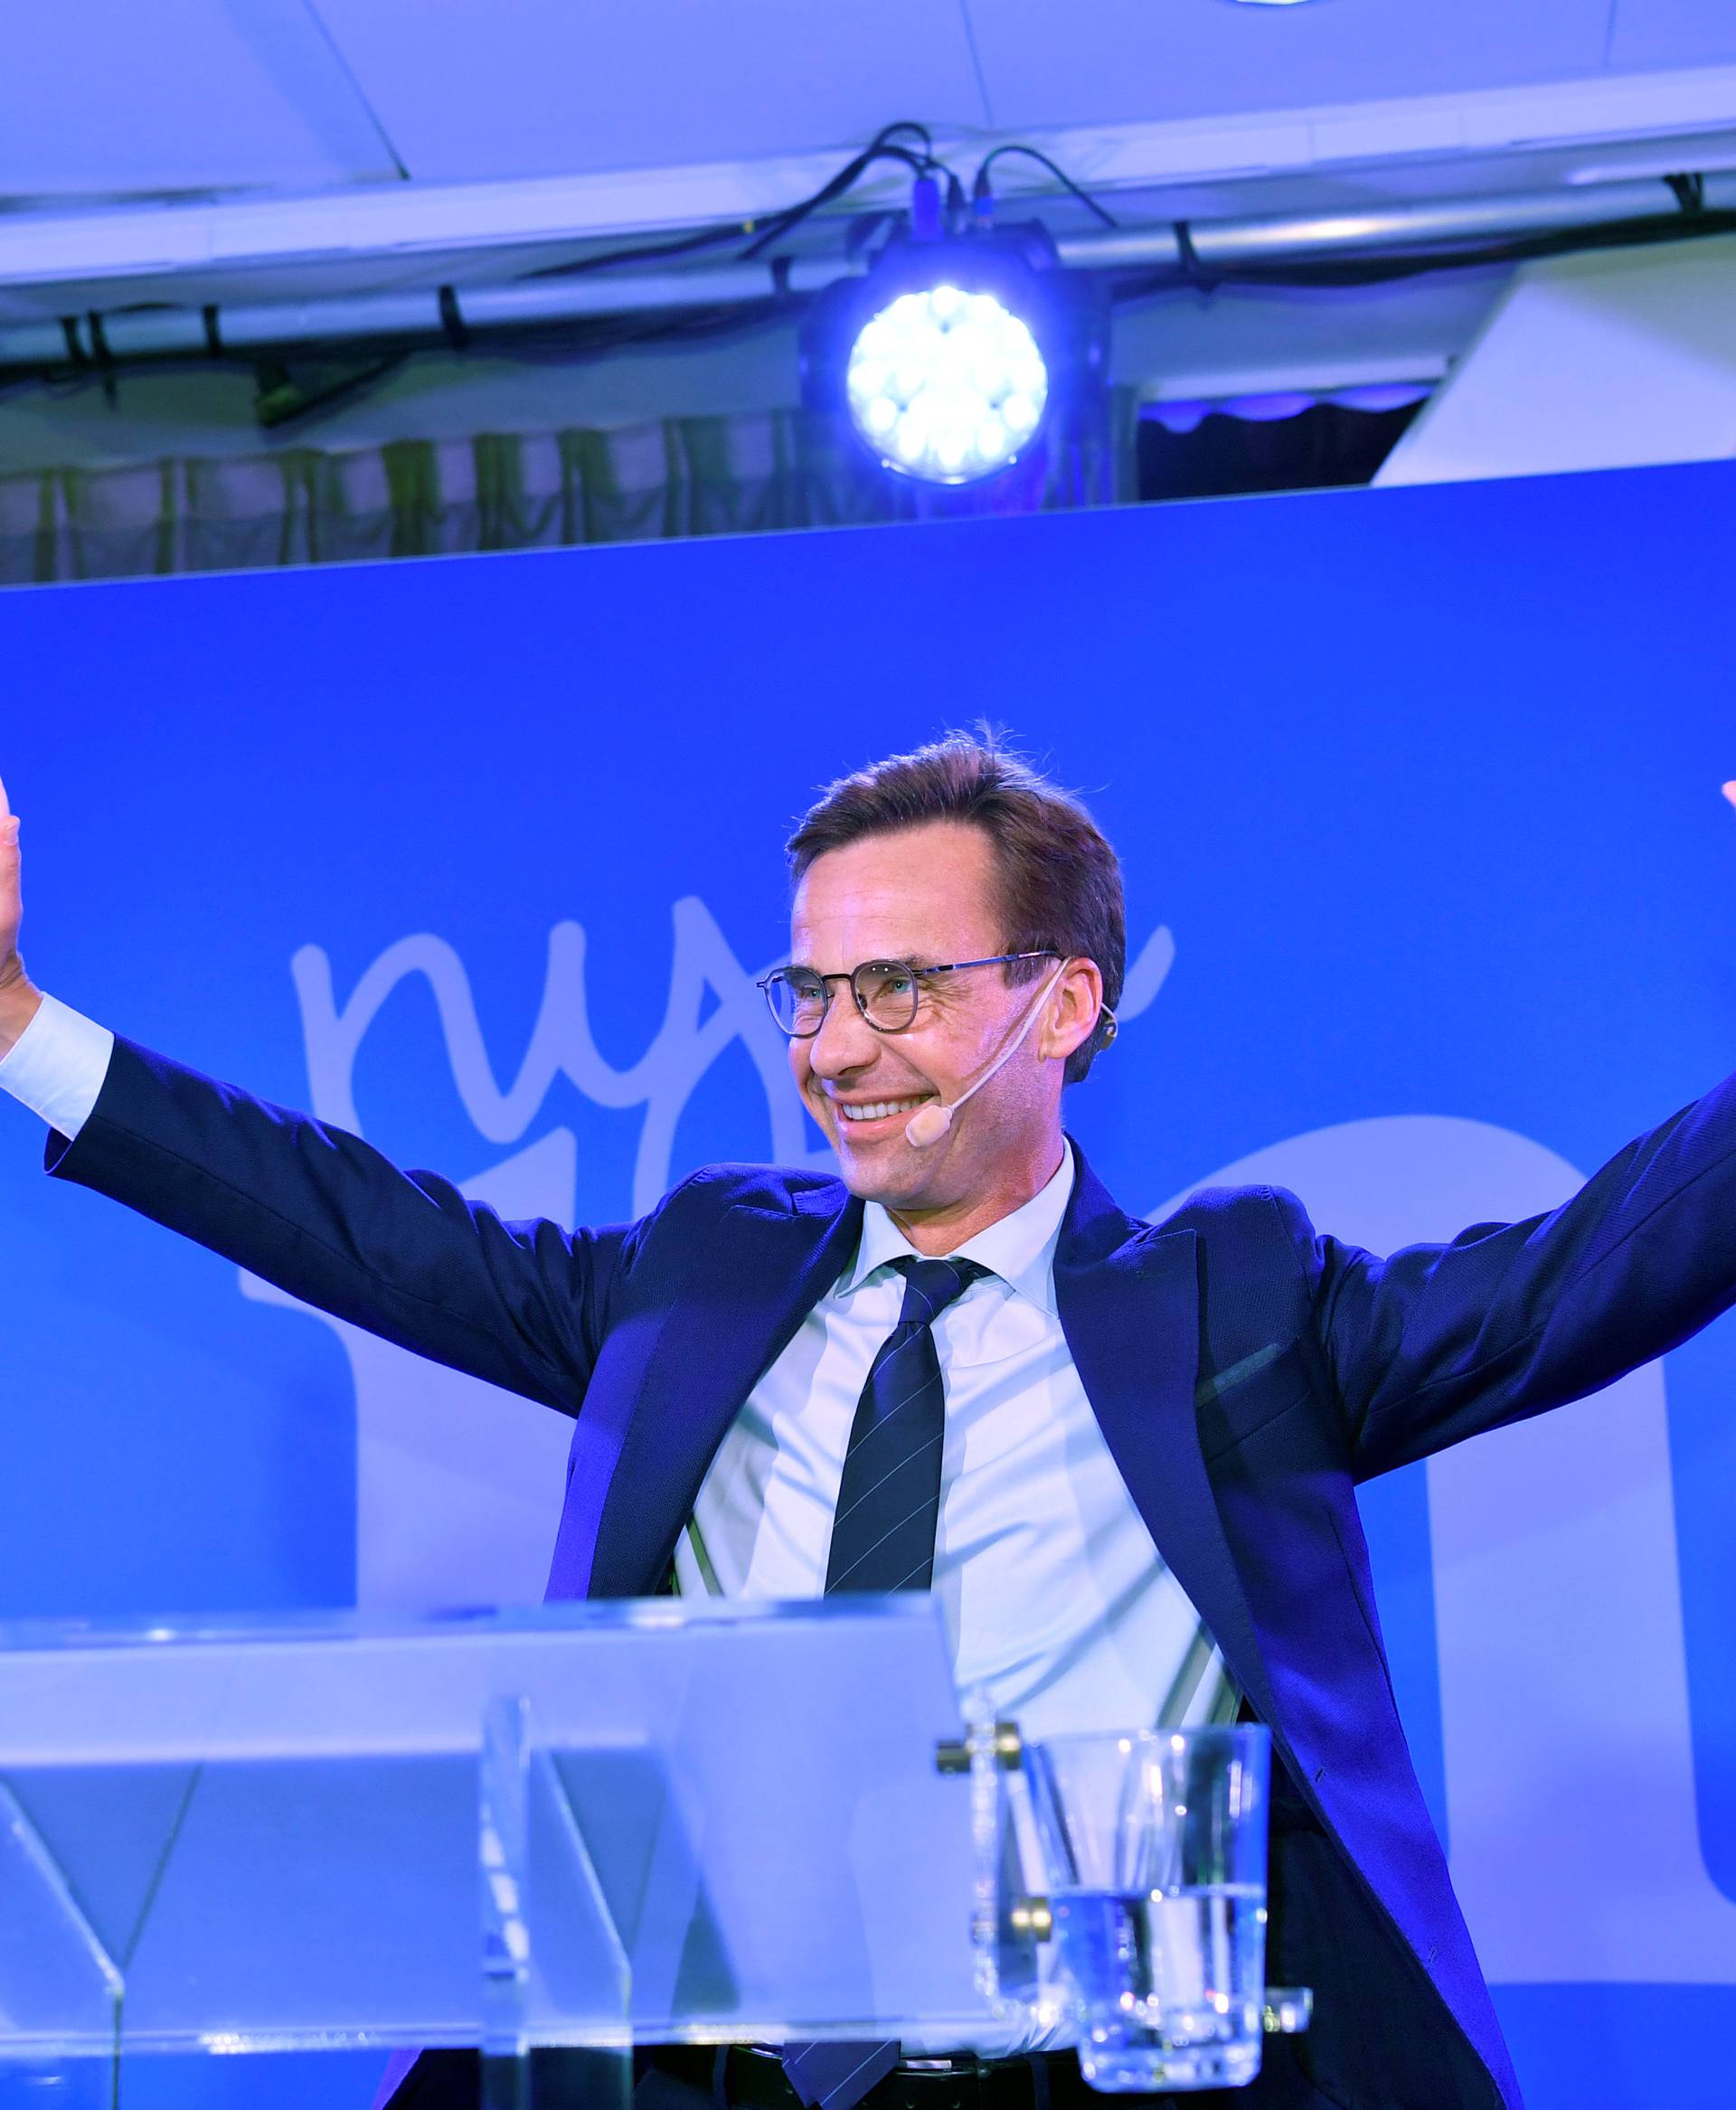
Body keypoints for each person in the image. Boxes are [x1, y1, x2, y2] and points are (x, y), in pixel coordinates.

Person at [4, 739, 1735, 2110]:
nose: (836, 1046)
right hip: (707, 2078)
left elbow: (1589, 1274)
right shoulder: (696, 1274)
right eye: (812, 993)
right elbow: (353, 1222)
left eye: (898, 988)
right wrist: (17, 1025)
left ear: (1062, 1004)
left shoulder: (1238, 1300)